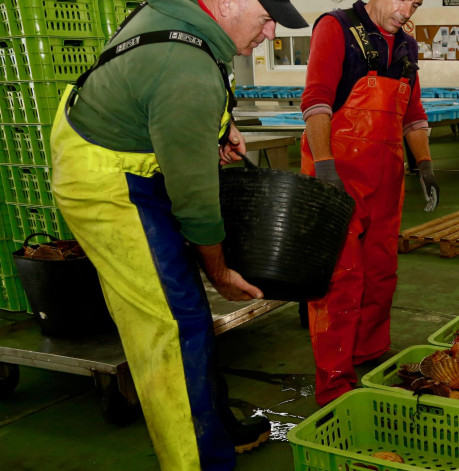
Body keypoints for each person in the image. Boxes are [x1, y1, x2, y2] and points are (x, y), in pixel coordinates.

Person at [49, 0, 308, 469]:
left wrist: (217, 125)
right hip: (108, 182)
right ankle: (197, 459)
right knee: (171, 326)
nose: (270, 34)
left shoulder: (185, 16)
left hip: (131, 153)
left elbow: (152, 84)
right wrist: (221, 270)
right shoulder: (186, 69)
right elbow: (195, 200)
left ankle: (214, 425)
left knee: (187, 308)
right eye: (267, 19)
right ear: (228, 2)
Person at [299, 0, 438, 406]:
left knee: (381, 272)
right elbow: (317, 102)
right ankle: (334, 381)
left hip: (386, 179)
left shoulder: (407, 47)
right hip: (337, 175)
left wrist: (425, 164)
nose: (407, 9)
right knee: (339, 281)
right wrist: (325, 167)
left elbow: (413, 114)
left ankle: (371, 353)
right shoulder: (336, 28)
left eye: (415, 3)